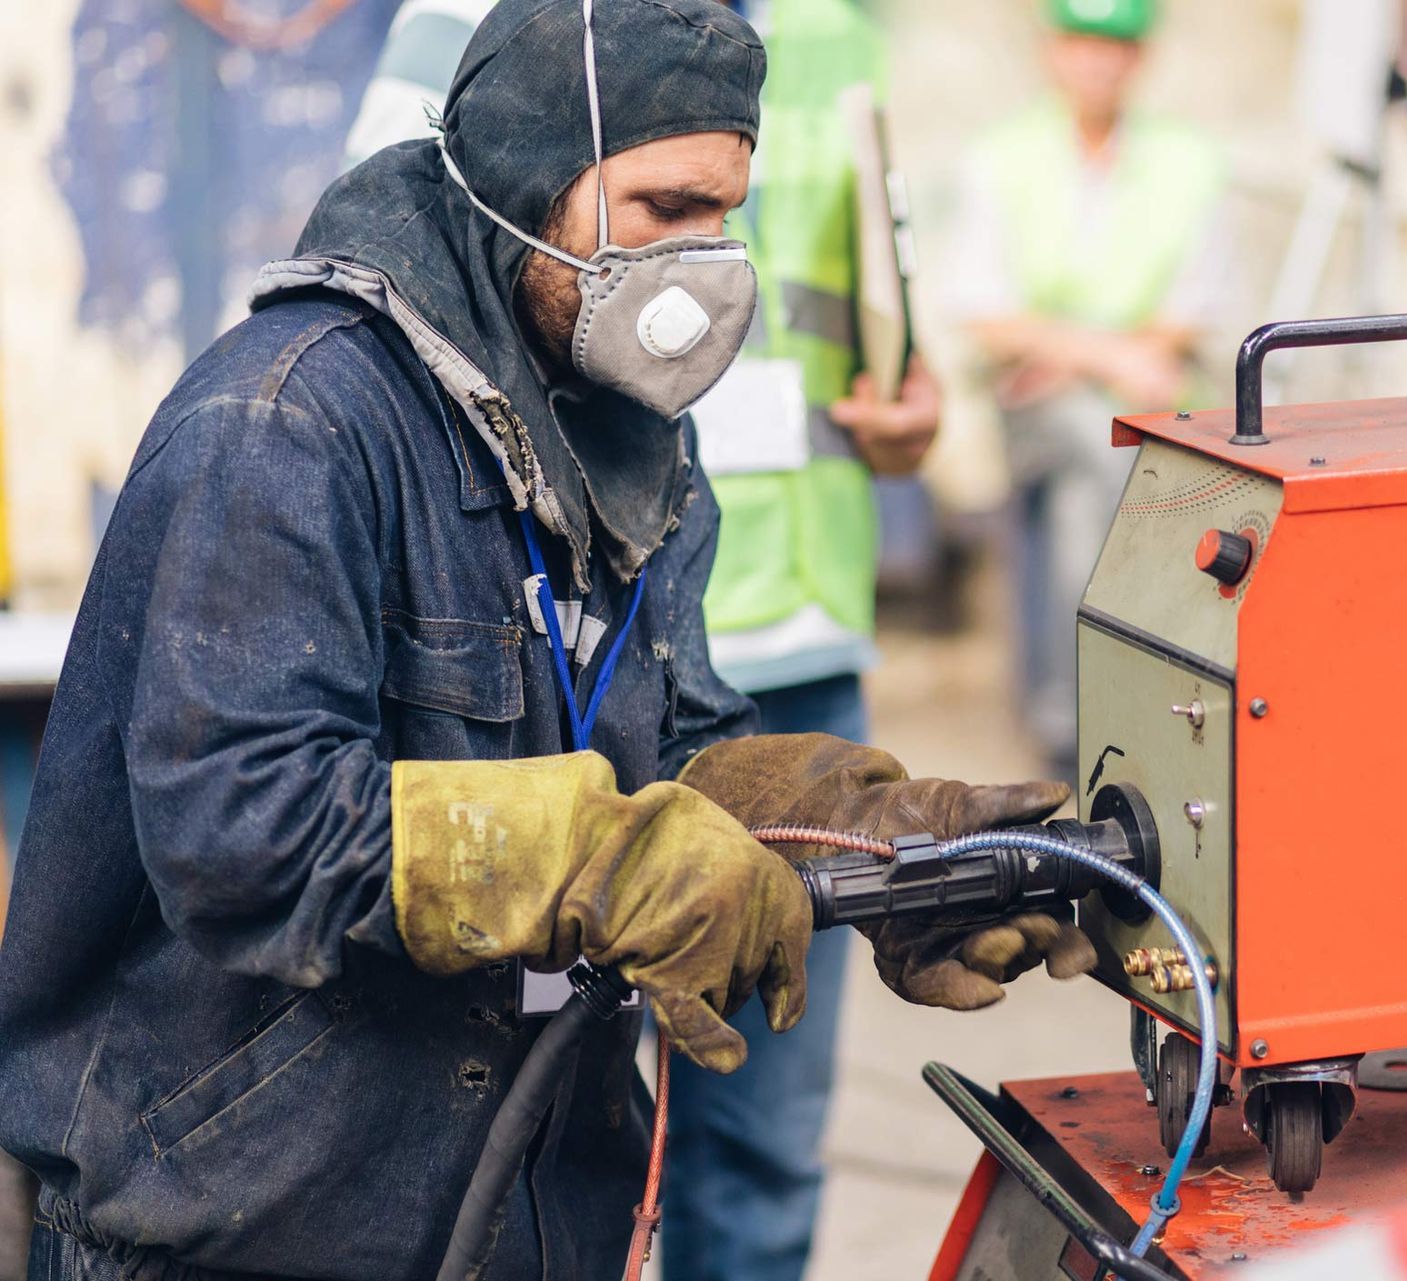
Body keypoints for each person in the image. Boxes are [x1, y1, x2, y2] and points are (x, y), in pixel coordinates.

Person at [0, 3, 1092, 1277]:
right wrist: (589, 859)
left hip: (522, 1214)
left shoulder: (629, 443)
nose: (709, 260)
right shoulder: (289, 420)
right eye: (663, 210)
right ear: (529, 186)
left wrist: (866, 840)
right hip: (251, 1221)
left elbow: (658, 751)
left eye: (723, 214)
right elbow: (246, 830)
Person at [343, 0, 935, 1276]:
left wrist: (909, 413)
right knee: (513, 1109)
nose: (706, 252)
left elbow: (886, 297)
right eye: (671, 209)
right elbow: (391, 293)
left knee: (758, 1126)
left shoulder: (833, 32)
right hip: (534, 627)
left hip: (768, 625)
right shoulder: (481, 25)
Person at [947, 0, 1231, 776]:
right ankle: (1094, 709)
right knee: (1094, 448)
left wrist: (1075, 354)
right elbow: (981, 309)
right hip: (1047, 401)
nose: (1098, 64)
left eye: (1116, 47)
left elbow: (1193, 303)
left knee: (1091, 477)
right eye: (1082, 45)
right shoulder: (1000, 156)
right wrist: (1104, 356)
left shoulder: (1190, 159)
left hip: (1149, 392)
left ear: (1140, 58)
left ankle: (1071, 716)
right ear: (1053, 52)